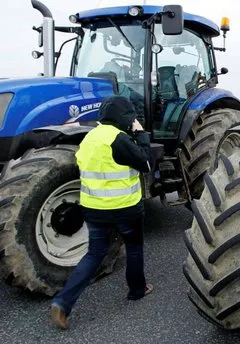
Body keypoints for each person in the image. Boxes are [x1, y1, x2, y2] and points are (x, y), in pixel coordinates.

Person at [50, 95, 153, 330]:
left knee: (94, 254)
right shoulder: (119, 139)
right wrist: (141, 134)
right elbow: (146, 164)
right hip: (126, 208)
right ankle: (137, 290)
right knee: (134, 247)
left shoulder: (89, 138)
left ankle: (63, 302)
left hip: (95, 209)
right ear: (124, 117)